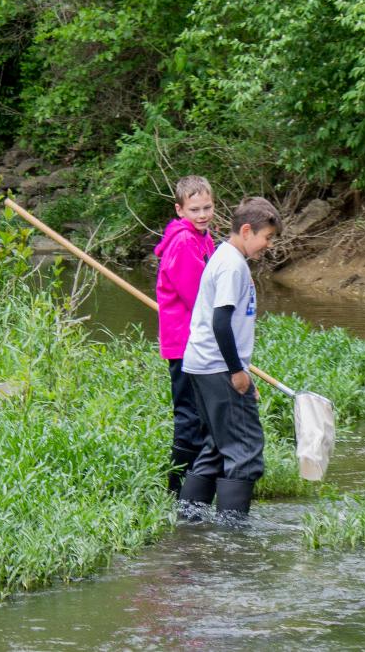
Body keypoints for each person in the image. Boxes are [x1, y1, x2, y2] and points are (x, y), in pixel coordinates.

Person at [179, 196, 282, 515]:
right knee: (245, 450)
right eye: (267, 237)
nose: (268, 245)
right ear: (248, 230)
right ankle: (233, 538)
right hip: (217, 368)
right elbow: (221, 322)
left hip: (204, 366)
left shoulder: (229, 260)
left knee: (215, 447)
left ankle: (189, 519)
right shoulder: (231, 265)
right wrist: (237, 372)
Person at [154, 175, 215, 496]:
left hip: (197, 340)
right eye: (194, 209)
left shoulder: (203, 237)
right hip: (184, 344)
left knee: (201, 414)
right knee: (189, 414)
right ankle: (176, 489)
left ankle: (196, 482)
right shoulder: (183, 243)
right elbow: (198, 296)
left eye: (207, 207)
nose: (202, 214)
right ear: (180, 210)